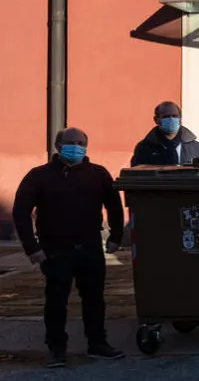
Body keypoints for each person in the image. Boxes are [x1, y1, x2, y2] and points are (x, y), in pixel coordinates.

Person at [12, 128, 125, 367]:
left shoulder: (98, 174)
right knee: (56, 301)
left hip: (90, 245)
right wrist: (32, 248)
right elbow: (21, 212)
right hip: (55, 248)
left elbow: (114, 206)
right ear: (57, 145)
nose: (76, 146)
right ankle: (57, 350)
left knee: (94, 298)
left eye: (80, 142)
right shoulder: (39, 176)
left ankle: (97, 343)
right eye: (70, 142)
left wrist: (116, 236)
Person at [130, 101, 199, 165]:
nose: (171, 119)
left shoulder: (195, 147)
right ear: (156, 119)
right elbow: (136, 177)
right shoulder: (144, 148)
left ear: (180, 118)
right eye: (166, 116)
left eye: (174, 116)